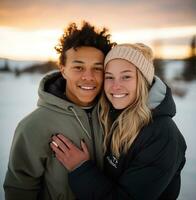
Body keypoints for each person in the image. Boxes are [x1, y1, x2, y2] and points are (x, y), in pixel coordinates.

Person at [51, 43, 187, 200]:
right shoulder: (109, 115)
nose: (115, 86)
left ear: (143, 80)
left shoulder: (161, 134)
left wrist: (80, 169)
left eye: (126, 76)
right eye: (109, 77)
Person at [4, 21, 114, 200]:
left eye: (97, 68)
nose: (88, 76)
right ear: (63, 69)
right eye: (78, 67)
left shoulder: (117, 117)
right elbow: (20, 189)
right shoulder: (34, 125)